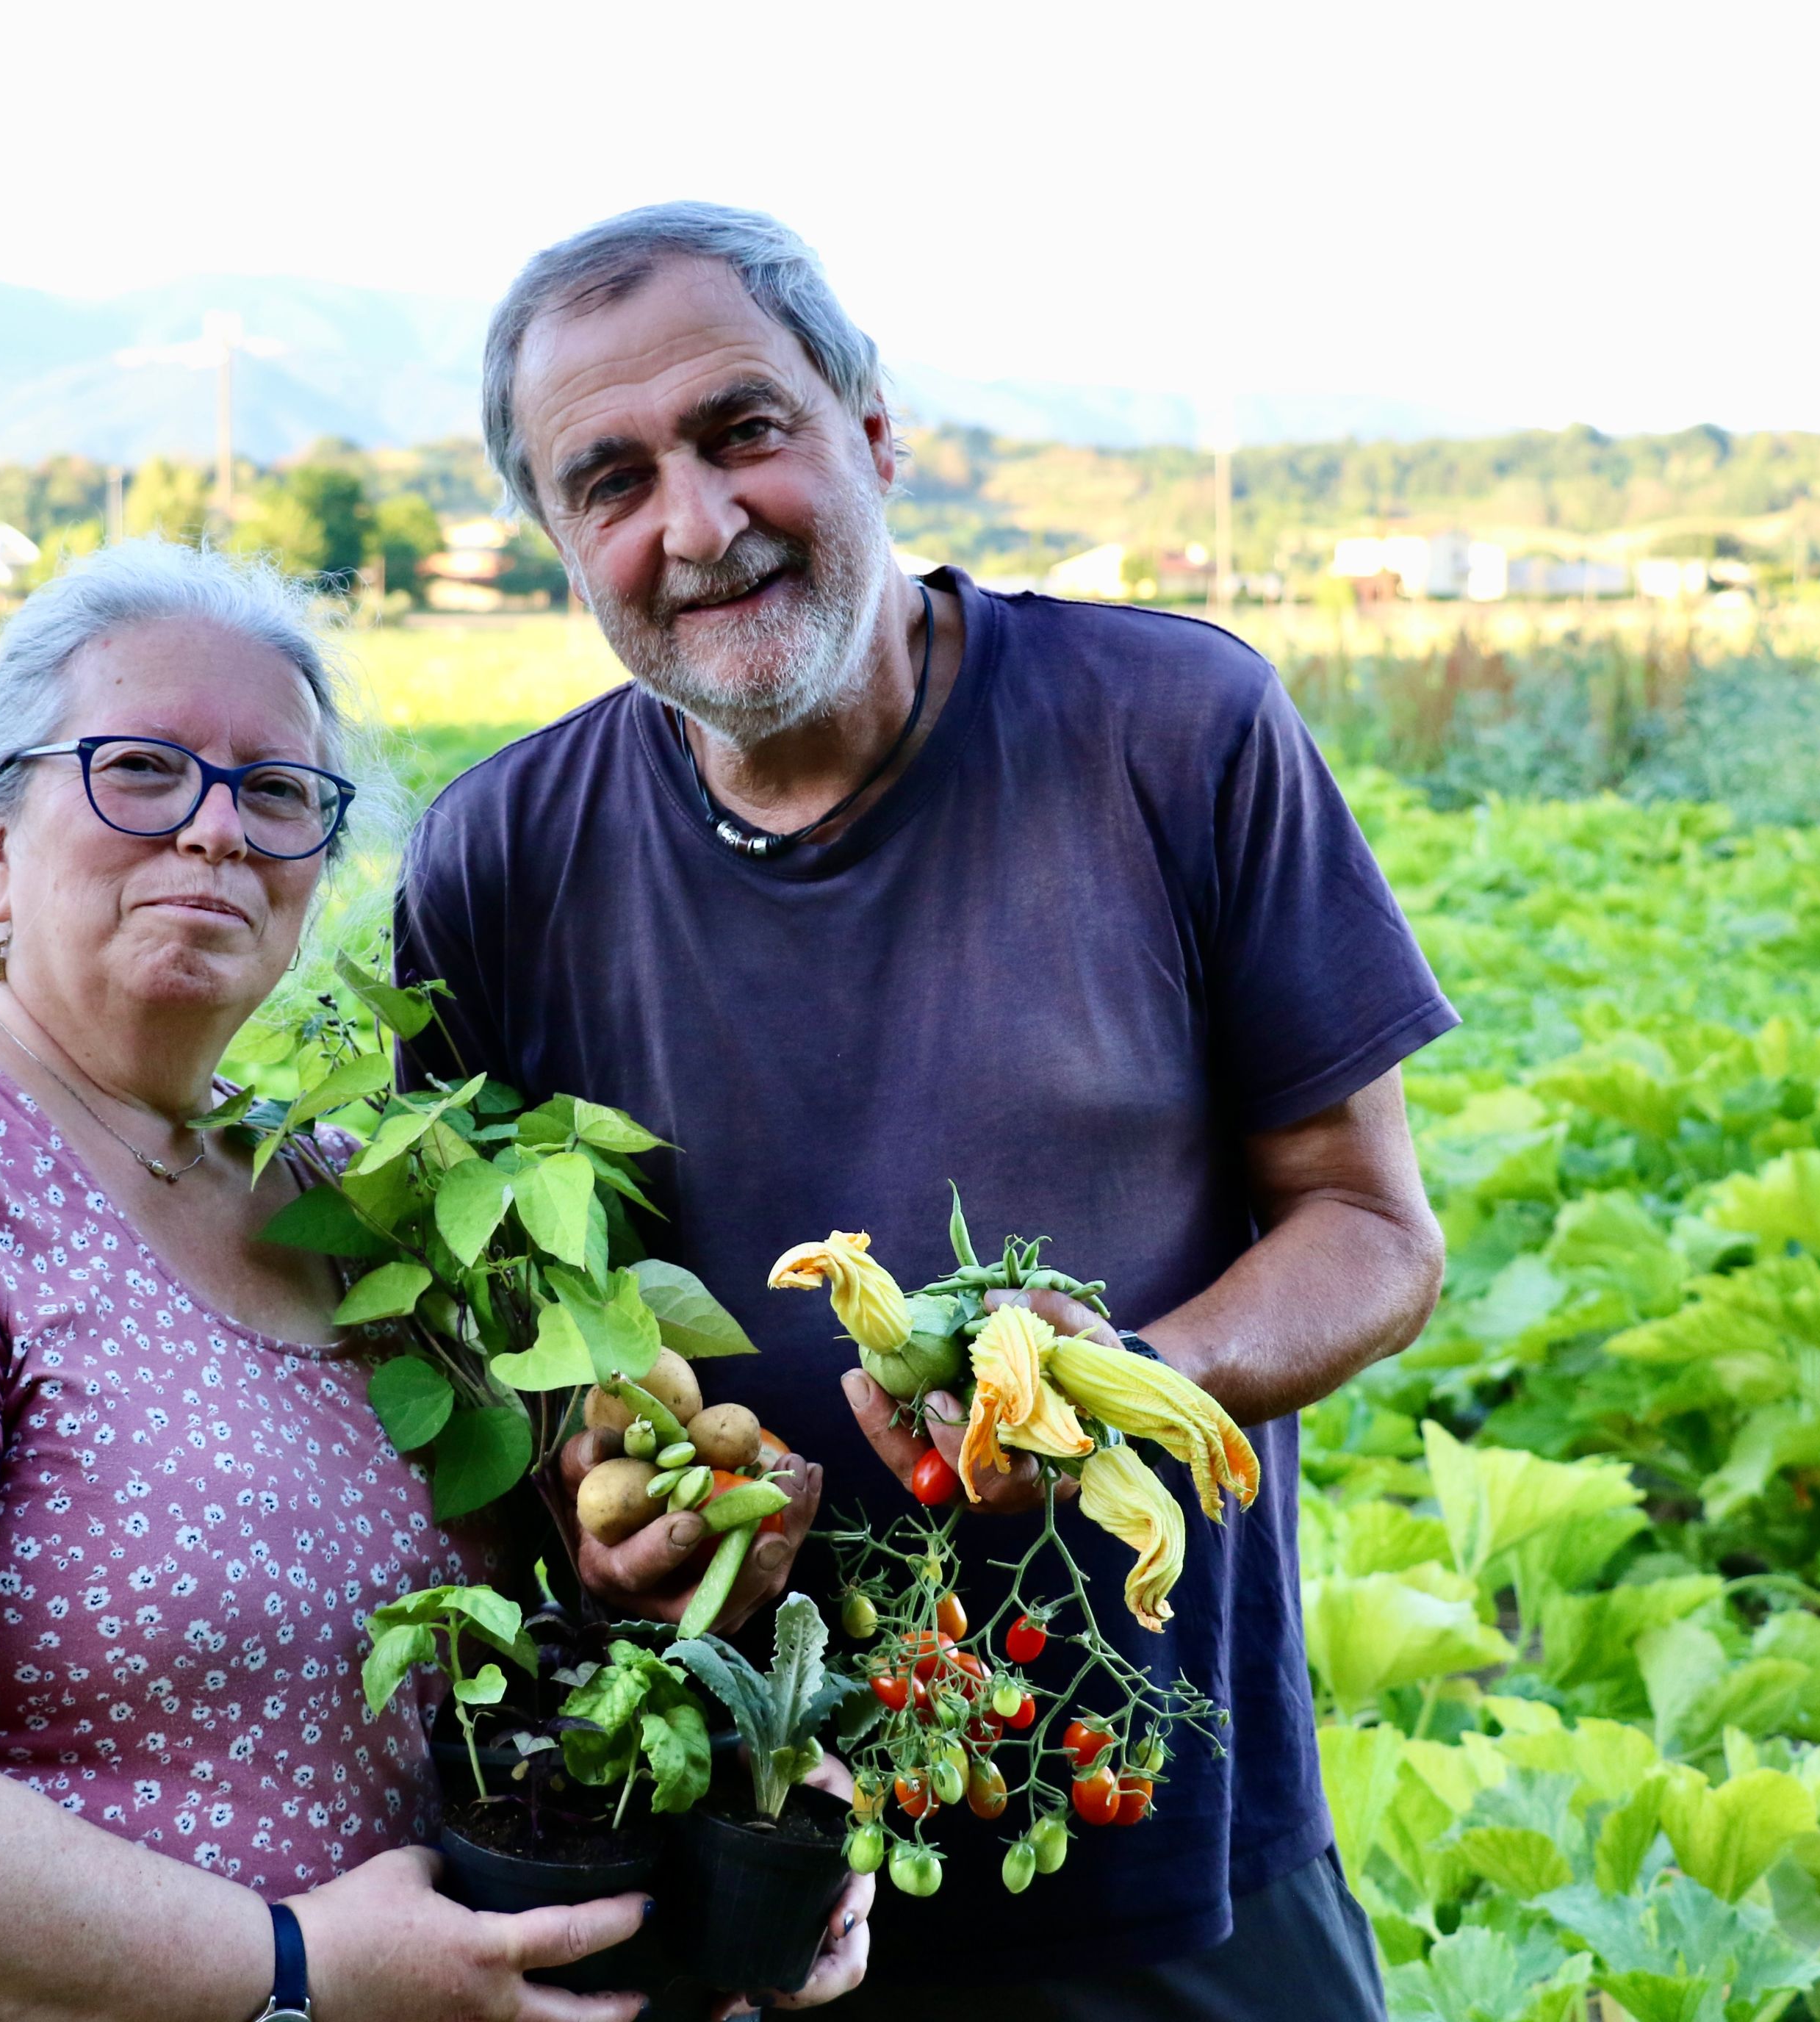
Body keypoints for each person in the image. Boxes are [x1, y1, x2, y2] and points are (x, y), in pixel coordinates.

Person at [396, 204, 1455, 2018]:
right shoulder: (501, 859)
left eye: (745, 430)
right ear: (563, 540)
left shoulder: (1169, 729)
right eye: (614, 478)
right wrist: (603, 1497)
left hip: (1148, 1826)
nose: (703, 523)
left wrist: (1123, 1374)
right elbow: (480, 1358)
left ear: (871, 431)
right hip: (723, 1854)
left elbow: (1371, 1231)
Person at [0, 542, 652, 2022]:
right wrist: (292, 1968)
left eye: (279, 790)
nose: (218, 829)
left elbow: (520, 1632)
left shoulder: (342, 1191)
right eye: (141, 768)